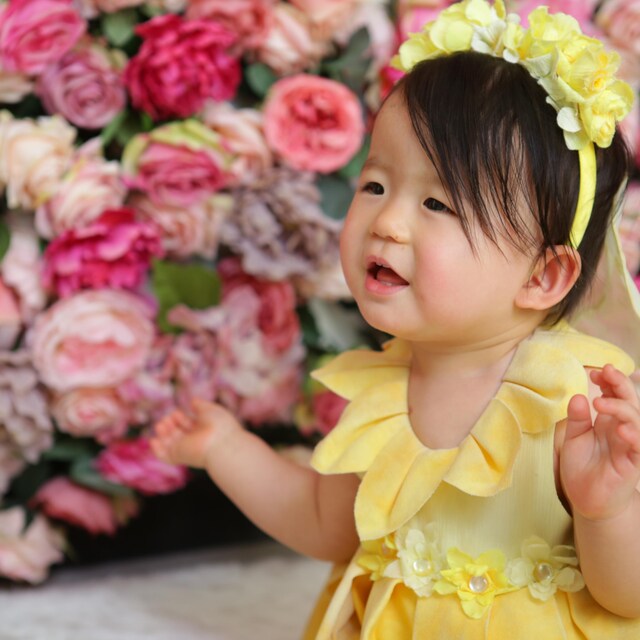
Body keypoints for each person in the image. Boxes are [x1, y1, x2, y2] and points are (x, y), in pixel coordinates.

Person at [150, 0, 640, 637]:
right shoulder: (381, 393)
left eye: (438, 203)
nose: (387, 222)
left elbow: (627, 597)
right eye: (375, 185)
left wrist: (607, 511)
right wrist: (225, 448)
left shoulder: (575, 403)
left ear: (542, 276)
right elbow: (326, 526)